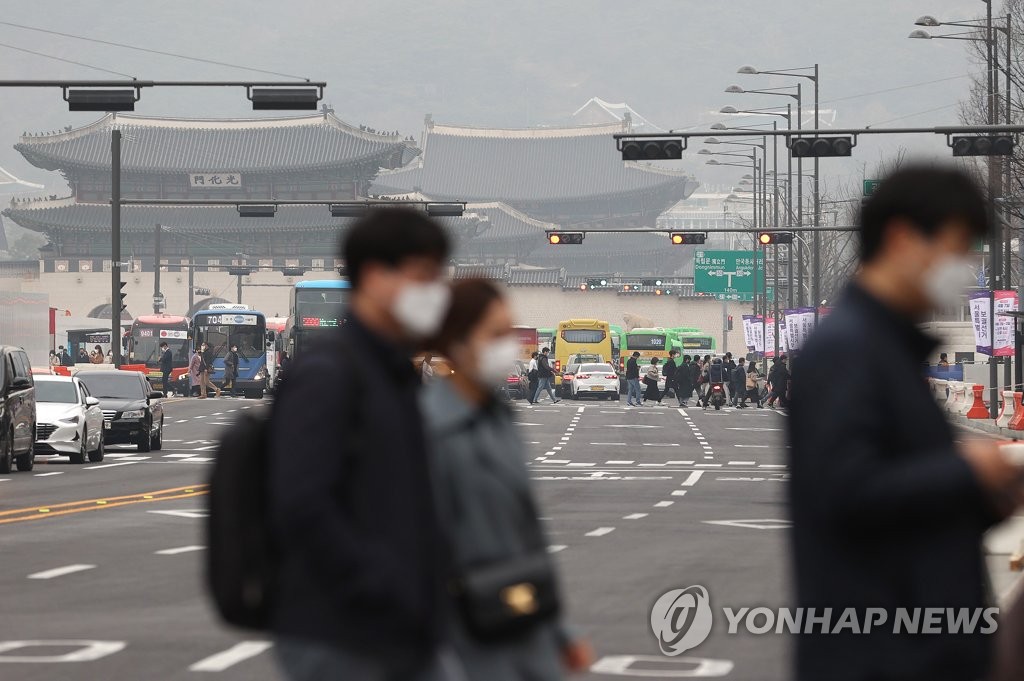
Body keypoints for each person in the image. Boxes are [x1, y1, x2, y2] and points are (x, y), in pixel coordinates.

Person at [789, 166, 1024, 681]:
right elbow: (847, 491)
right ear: (901, 238)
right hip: (879, 653)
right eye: (958, 248)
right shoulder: (848, 352)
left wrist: (987, 495)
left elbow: (907, 502)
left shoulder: (884, 350)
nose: (964, 269)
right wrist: (968, 471)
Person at [269, 208, 455, 681]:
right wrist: (379, 583)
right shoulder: (328, 374)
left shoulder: (392, 374)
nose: (435, 294)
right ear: (375, 276)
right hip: (342, 631)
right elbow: (300, 502)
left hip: (397, 626)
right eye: (424, 278)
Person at [422, 278, 593, 680]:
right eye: (496, 334)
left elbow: (526, 540)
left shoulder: (501, 421)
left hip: (521, 624)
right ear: (458, 339)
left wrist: (558, 632)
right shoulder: (423, 429)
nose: (508, 345)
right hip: (458, 640)